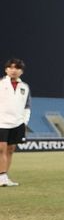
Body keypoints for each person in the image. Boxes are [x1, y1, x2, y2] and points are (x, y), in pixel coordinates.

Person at [0, 58, 30, 188]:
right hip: (1, 122)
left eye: (17, 68)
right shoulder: (1, 84)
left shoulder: (25, 87)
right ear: (6, 70)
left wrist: (24, 122)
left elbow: (27, 106)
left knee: (11, 150)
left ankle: (4, 176)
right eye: (11, 67)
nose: (13, 70)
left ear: (21, 71)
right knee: (1, 149)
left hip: (17, 123)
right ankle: (1, 176)